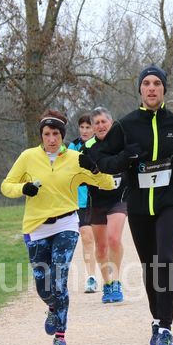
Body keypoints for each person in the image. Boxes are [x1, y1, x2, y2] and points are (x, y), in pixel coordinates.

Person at [92, 64, 173, 345]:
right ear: (140, 89)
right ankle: (156, 319)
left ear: (164, 89)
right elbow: (102, 159)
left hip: (171, 201)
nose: (152, 88)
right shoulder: (125, 126)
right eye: (146, 83)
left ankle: (165, 328)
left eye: (157, 83)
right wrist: (123, 159)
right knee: (150, 265)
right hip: (139, 204)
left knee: (165, 259)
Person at [1, 109, 114, 345]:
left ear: (62, 135)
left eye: (55, 134)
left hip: (66, 224)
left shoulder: (76, 158)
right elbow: (6, 186)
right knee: (43, 284)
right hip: (36, 227)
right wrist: (24, 188)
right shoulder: (28, 157)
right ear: (41, 135)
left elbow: (107, 184)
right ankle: (52, 306)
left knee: (59, 278)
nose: (51, 139)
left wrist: (95, 169)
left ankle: (60, 338)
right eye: (47, 134)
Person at [84, 107, 128, 303]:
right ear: (93, 127)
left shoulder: (122, 141)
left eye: (104, 122)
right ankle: (107, 283)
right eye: (97, 123)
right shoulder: (88, 147)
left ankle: (116, 281)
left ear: (111, 123)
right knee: (101, 247)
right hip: (97, 200)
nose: (101, 126)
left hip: (119, 198)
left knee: (114, 239)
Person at [67, 114, 100, 293]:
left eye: (88, 127)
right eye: (82, 127)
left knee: (102, 238)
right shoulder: (72, 147)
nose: (85, 131)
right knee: (86, 236)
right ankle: (91, 277)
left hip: (100, 197)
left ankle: (107, 268)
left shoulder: (100, 145)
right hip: (80, 199)